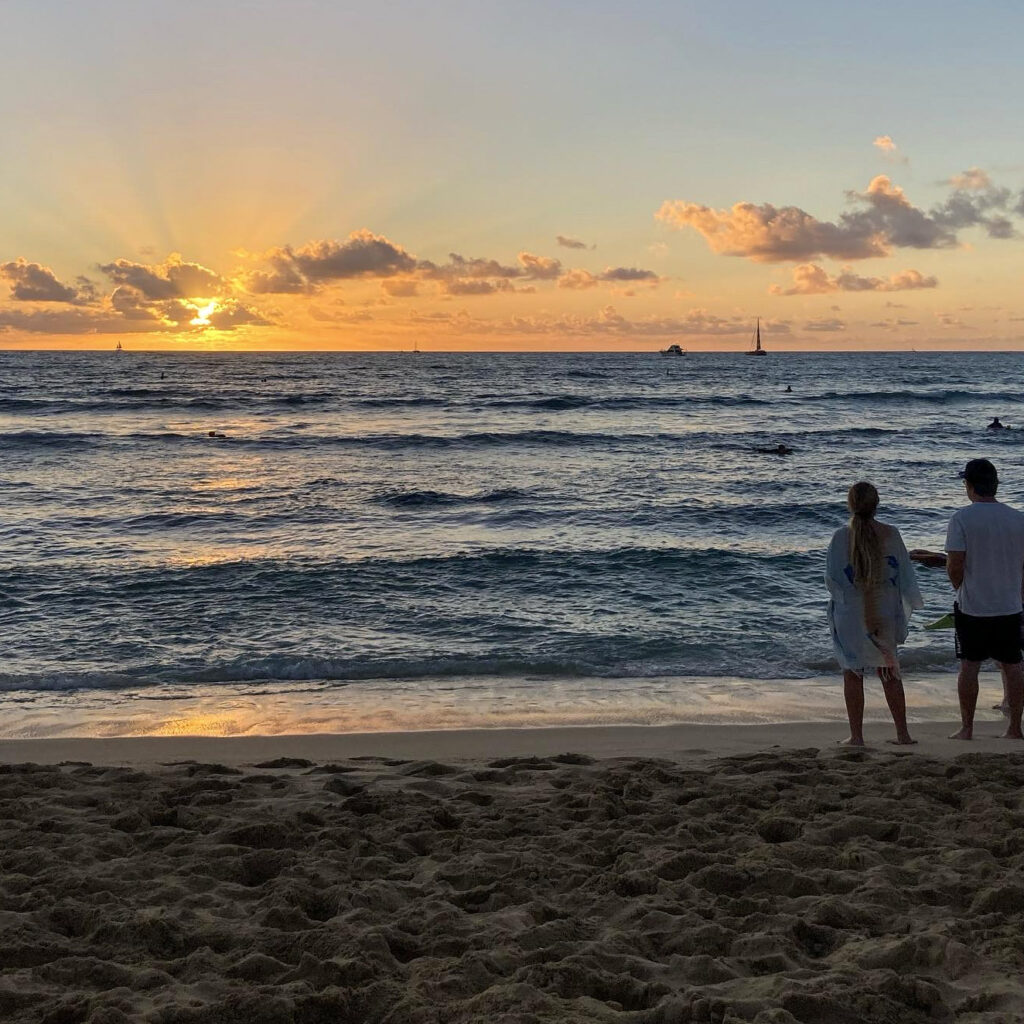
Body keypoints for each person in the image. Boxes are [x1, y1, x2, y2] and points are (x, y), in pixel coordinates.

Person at [826, 482, 923, 745]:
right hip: (883, 610)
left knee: (852, 671)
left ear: (850, 505)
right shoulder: (891, 534)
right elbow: (905, 577)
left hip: (850, 612)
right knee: (889, 669)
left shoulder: (839, 537)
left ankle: (856, 736)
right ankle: (903, 733)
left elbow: (832, 581)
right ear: (876, 504)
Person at [945, 459, 1024, 740]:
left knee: (969, 665)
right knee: (1013, 665)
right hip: (1010, 603)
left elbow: (955, 565)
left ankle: (967, 727)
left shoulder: (962, 519)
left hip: (973, 604)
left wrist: (960, 588)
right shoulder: (1017, 518)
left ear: (969, 485)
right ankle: (1015, 727)